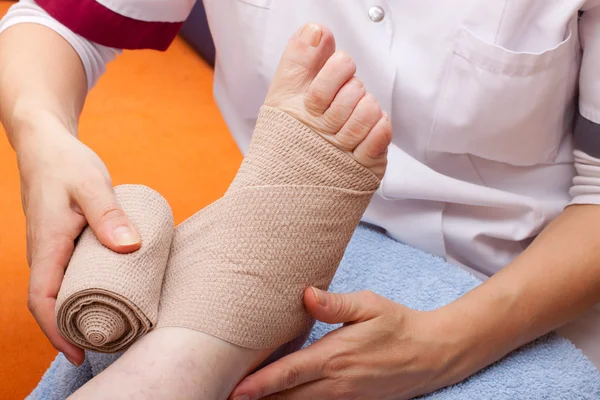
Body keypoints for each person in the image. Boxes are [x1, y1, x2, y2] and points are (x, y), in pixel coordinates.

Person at [1, 0, 600, 399]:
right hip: (272, 226)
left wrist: (445, 346)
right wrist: (41, 133)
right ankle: (217, 331)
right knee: (165, 365)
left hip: (516, 272)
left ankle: (211, 335)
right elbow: (57, 22)